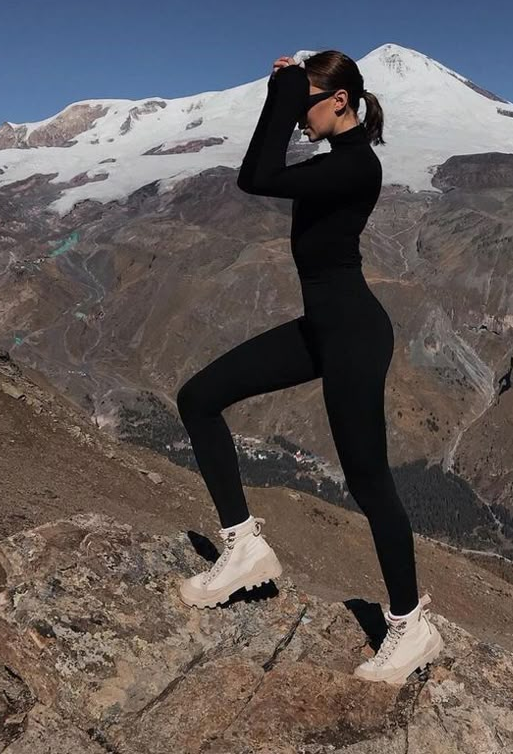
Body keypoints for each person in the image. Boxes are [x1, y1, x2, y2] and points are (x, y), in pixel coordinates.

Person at [175, 49, 443, 684]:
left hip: (352, 334)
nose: (299, 119)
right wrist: (291, 90)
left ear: (340, 101)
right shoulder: (334, 162)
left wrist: (280, 94)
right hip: (322, 329)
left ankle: (409, 626)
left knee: (369, 482)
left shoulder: (356, 167)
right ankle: (243, 547)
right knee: (199, 398)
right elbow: (264, 172)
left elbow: (255, 176)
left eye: (307, 105)